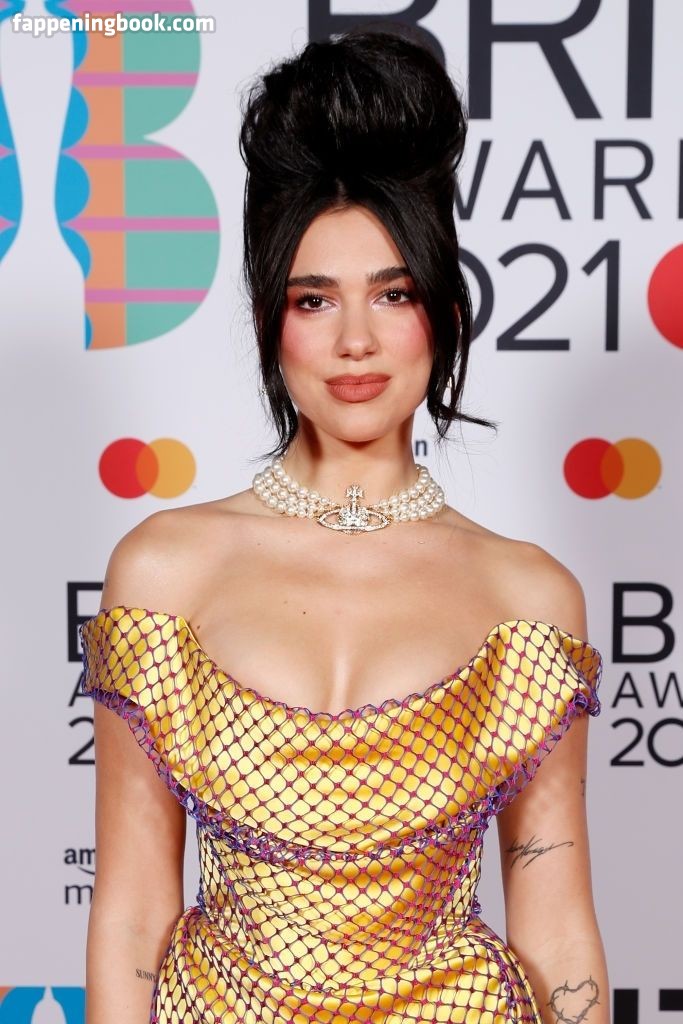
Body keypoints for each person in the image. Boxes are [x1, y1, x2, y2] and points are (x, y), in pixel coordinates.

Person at [78, 26, 609, 1024]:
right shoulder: (163, 571)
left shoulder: (528, 595)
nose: (355, 340)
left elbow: (556, 927)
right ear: (269, 317)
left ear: (443, 309)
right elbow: (132, 912)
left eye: (392, 293)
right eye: (314, 299)